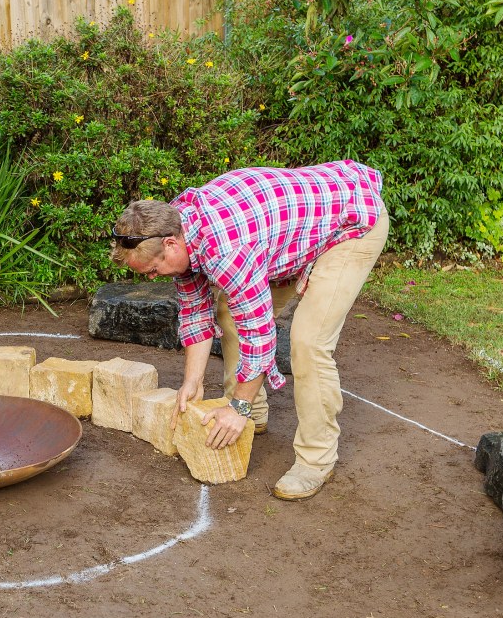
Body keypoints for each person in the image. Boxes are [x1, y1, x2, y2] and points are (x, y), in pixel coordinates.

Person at [110, 160, 388, 500]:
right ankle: (251, 412)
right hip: (287, 232)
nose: (154, 277)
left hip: (351, 221)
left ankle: (315, 461)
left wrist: (236, 408)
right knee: (229, 311)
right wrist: (193, 381)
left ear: (170, 244)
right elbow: (196, 311)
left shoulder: (226, 251)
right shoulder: (178, 226)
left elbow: (259, 333)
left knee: (308, 342)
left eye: (153, 270)